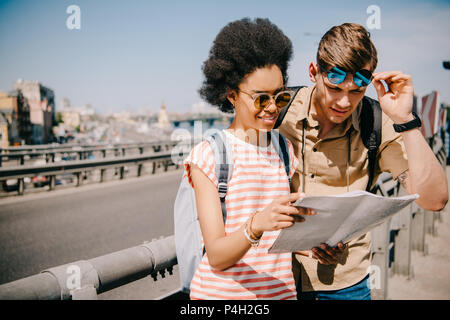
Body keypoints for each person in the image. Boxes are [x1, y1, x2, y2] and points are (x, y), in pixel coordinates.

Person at [278, 22, 448, 300]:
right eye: (334, 88)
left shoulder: (377, 122)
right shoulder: (278, 110)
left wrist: (405, 120)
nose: (344, 102)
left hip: (347, 283)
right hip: (277, 277)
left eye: (356, 91)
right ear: (313, 72)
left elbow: (435, 200)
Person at [183, 17, 315, 300]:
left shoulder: (284, 150)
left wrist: (311, 246)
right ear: (232, 95)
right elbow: (217, 256)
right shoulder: (209, 155)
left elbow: (279, 237)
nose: (271, 108)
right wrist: (256, 224)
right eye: (260, 98)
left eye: (280, 97)